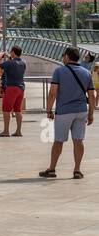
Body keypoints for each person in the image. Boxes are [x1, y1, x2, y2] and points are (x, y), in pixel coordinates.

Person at [40, 47, 97, 179]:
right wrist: (91, 114)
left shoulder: (59, 71)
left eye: (63, 55)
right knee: (78, 140)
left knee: (59, 141)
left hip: (64, 112)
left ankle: (52, 169)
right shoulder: (86, 73)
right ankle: (77, 170)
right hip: (81, 111)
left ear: (67, 56)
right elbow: (92, 95)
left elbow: (52, 92)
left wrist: (49, 110)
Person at [0, 46, 27, 138]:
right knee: (18, 110)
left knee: (6, 110)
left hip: (11, 88)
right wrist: (10, 57)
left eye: (11, 52)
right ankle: (18, 131)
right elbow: (14, 64)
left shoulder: (10, 63)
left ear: (13, 52)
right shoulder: (23, 62)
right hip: (21, 88)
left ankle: (6, 131)